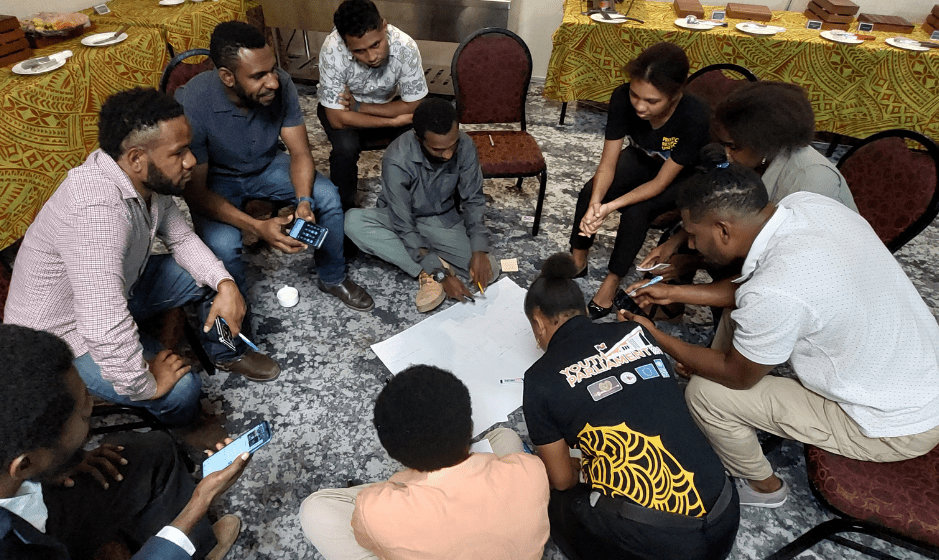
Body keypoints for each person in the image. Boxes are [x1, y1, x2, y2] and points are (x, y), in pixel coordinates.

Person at [624, 163, 939, 508]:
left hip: (896, 423)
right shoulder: (808, 205)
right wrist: (676, 294)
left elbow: (738, 375)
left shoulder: (777, 291)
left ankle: (763, 488)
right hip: (918, 372)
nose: (694, 246)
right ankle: (722, 369)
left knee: (706, 394)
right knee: (744, 316)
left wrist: (655, 337)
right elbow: (754, 289)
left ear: (724, 230)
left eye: (695, 235)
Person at [4, 88, 278, 429]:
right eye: (179, 153)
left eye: (188, 148)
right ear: (136, 158)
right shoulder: (97, 214)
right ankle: (185, 428)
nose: (191, 161)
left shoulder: (142, 179)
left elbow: (181, 239)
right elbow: (102, 325)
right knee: (181, 391)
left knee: (214, 278)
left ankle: (226, 350)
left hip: (115, 295)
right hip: (63, 337)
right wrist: (145, 383)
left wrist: (224, 284)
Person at [0, 324, 251, 559]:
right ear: (23, 463)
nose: (93, 404)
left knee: (150, 452)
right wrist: (198, 504)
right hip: (28, 537)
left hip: (36, 495)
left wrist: (54, 466)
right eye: (86, 416)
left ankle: (196, 548)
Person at [522, 254, 738, 560]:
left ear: (538, 323)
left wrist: (576, 465)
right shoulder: (635, 333)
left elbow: (562, 479)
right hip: (726, 513)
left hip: (657, 544)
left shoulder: (538, 379)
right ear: (583, 310)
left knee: (557, 500)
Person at [176, 21, 373, 313]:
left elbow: (300, 152)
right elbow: (196, 193)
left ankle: (332, 277)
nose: (273, 82)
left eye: (272, 69)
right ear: (227, 77)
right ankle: (235, 311)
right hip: (218, 180)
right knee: (222, 244)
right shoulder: (192, 102)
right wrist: (256, 227)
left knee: (327, 197)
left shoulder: (281, 84)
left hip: (267, 165)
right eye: (259, 76)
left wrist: (304, 201)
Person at [299, 365, 550, 559]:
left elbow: (370, 543)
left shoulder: (375, 509)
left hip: (397, 513)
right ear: (470, 427)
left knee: (314, 510)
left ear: (393, 454)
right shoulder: (531, 471)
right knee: (506, 435)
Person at [639, 81, 856, 278]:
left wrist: (687, 268)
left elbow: (772, 270)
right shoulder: (760, 159)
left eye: (733, 146)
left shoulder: (811, 182)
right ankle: (670, 310)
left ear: (764, 142)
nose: (726, 153)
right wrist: (674, 243)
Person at [569, 41, 709, 320]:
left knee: (637, 212)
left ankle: (611, 281)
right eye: (636, 95)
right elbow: (607, 164)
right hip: (643, 156)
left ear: (676, 95)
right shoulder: (621, 98)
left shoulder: (694, 117)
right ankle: (578, 258)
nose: (640, 107)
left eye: (652, 101)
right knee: (589, 192)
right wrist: (597, 203)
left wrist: (610, 208)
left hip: (684, 174)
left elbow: (659, 184)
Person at [345, 98, 497, 312]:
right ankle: (430, 270)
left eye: (452, 145)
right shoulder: (397, 158)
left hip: (441, 219)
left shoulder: (465, 145)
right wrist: (441, 275)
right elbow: (404, 226)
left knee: (492, 271)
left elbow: (473, 199)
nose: (448, 154)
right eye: (437, 149)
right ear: (419, 139)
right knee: (353, 222)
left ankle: (430, 260)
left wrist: (479, 251)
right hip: (401, 219)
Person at [317, 0, 427, 212]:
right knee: (345, 148)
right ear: (344, 42)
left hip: (369, 107)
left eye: (376, 44)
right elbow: (337, 119)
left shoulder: (405, 46)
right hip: (348, 113)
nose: (372, 57)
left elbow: (413, 104)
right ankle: (342, 209)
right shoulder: (332, 49)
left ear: (384, 26)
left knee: (410, 142)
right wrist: (394, 121)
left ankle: (402, 205)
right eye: (359, 51)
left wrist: (360, 107)